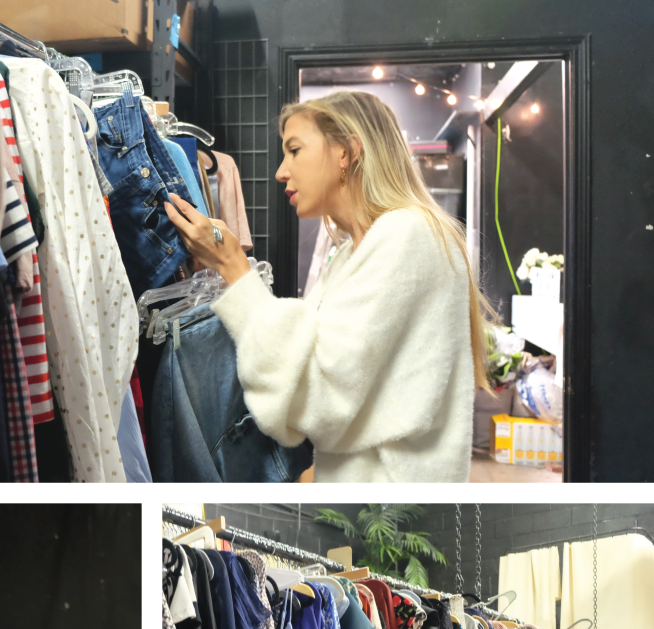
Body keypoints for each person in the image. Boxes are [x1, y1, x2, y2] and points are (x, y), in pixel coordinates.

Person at [163, 90, 495, 483]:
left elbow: (318, 391)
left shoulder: (407, 234)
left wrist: (234, 267)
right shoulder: (360, 249)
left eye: (295, 150)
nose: (281, 171)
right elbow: (349, 388)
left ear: (346, 152)